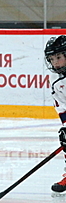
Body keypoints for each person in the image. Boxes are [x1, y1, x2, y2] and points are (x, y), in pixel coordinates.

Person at [45, 35, 66, 194]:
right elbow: (63, 109)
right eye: (51, 59)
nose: (55, 62)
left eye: (58, 57)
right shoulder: (57, 84)